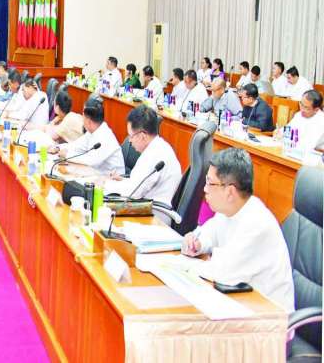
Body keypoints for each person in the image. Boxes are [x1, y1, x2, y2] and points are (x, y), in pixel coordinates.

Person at [181, 149, 294, 312]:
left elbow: (222, 272)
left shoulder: (257, 224)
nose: (204, 189)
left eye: (210, 183)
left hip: (269, 317)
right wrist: (197, 243)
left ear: (230, 192)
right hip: (241, 302)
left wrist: (183, 266)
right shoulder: (229, 209)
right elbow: (209, 234)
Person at [106, 106, 182, 217]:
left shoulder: (153, 155)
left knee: (104, 210)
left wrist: (106, 184)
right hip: (148, 206)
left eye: (131, 136)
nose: (130, 141)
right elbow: (140, 184)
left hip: (156, 214)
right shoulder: (159, 146)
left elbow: (134, 192)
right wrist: (123, 180)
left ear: (142, 136)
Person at [55, 98, 125, 175]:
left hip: (112, 178)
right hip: (97, 173)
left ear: (88, 121)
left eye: (83, 116)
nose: (82, 118)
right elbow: (76, 146)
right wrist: (58, 148)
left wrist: (67, 155)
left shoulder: (105, 137)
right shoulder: (93, 131)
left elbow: (90, 161)